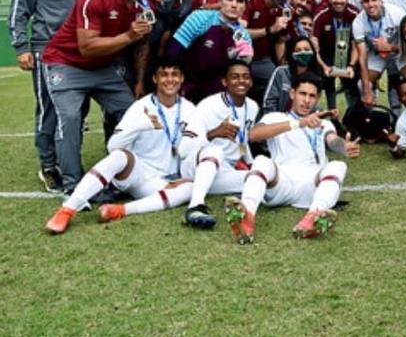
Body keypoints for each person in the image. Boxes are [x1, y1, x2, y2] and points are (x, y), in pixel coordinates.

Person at [44, 56, 196, 233]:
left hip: (162, 182)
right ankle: (67, 210)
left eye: (175, 75)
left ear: (182, 78)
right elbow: (113, 146)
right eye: (164, 75)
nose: (170, 79)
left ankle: (120, 210)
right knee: (119, 156)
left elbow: (194, 147)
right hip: (137, 174)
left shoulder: (190, 109)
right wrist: (141, 125)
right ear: (155, 79)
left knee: (191, 188)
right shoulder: (141, 107)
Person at [42, 0, 151, 192]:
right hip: (67, 62)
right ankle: (72, 184)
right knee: (70, 118)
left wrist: (140, 81)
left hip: (103, 67)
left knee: (133, 112)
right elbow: (87, 47)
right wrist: (129, 35)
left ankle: (133, 170)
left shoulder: (143, 2)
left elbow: (142, 44)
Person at [224, 73, 360, 243]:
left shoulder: (323, 123)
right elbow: (253, 135)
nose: (307, 100)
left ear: (317, 98)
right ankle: (247, 216)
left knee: (338, 165)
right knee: (261, 162)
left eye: (312, 96)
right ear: (292, 94)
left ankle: (313, 218)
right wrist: (298, 123)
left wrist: (344, 147)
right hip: (282, 183)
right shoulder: (275, 118)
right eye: (302, 94)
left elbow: (333, 141)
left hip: (312, 187)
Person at [8, 0, 86, 193]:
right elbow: (19, 9)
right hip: (47, 51)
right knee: (49, 110)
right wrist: (21, 47)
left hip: (77, 53)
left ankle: (70, 163)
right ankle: (49, 166)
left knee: (77, 110)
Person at [179, 60, 259, 228]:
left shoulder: (252, 107)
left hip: (223, 171)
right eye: (235, 77)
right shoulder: (208, 105)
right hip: (195, 165)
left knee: (258, 177)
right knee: (215, 151)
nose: (241, 81)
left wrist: (250, 163)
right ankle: (195, 206)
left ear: (251, 82)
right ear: (225, 82)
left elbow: (242, 141)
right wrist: (213, 133)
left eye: (245, 77)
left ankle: (240, 208)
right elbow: (183, 150)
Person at [169, 0, 253, 103]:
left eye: (240, 1)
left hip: (219, 96)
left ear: (245, 6)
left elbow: (241, 78)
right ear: (220, 0)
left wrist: (245, 59)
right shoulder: (200, 17)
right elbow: (172, 53)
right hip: (187, 87)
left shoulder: (244, 36)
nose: (234, 5)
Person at [352, 0, 406, 108]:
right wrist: (367, 90)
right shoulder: (358, 22)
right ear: (361, 3)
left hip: (398, 51)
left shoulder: (396, 13)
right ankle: (373, 113)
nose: (371, 4)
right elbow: (362, 57)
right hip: (377, 54)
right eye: (366, 1)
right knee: (362, 85)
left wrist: (391, 48)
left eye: (374, 0)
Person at [243, 0, 294, 101]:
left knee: (283, 83)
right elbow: (240, 33)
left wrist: (282, 66)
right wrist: (270, 30)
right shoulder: (252, 1)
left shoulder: (284, 9)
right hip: (242, 58)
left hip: (263, 60)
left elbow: (280, 40)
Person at [312, 0, 360, 110]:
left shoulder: (355, 14)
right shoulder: (321, 15)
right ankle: (331, 112)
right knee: (326, 82)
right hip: (326, 53)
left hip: (349, 53)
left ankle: (353, 113)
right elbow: (314, 46)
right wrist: (324, 67)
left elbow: (357, 45)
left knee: (352, 83)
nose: (338, 1)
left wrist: (352, 65)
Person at [263, 36, 323, 114]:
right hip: (277, 121)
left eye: (306, 49)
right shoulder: (281, 73)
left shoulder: (317, 77)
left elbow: (315, 105)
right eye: (298, 50)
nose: (303, 53)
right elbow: (269, 102)